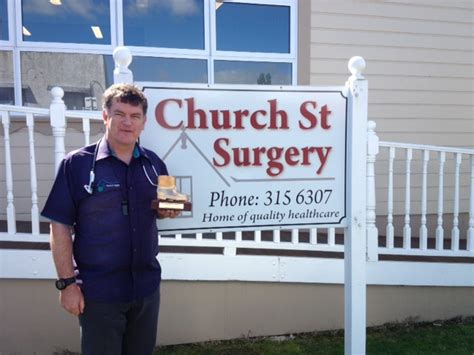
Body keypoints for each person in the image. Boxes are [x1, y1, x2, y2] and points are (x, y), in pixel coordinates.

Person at [42, 83, 179, 355]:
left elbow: (169, 205)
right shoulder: (77, 164)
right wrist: (67, 285)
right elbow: (59, 226)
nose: (127, 122)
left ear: (143, 122)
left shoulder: (155, 165)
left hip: (146, 290)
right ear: (105, 116)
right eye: (119, 114)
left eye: (134, 116)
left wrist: (168, 209)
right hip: (99, 294)